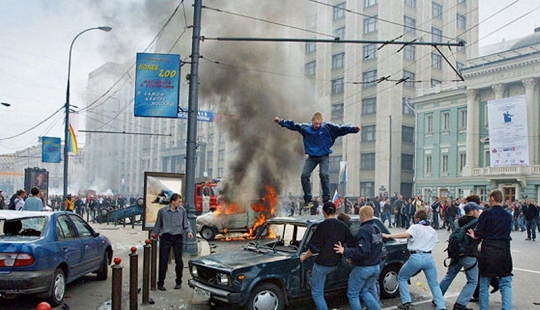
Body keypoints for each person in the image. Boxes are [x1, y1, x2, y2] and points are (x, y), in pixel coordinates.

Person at [274, 112, 360, 205]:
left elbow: (341, 128)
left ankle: (326, 198)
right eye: (315, 124)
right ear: (312, 122)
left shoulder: (328, 127)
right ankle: (308, 199)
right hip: (312, 157)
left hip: (324, 156)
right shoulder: (305, 127)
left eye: (319, 124)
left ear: (321, 122)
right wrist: (280, 122)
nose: (317, 126)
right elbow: (293, 125)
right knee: (304, 175)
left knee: (324, 174)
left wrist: (354, 129)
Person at [382, 209, 446, 310]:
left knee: (402, 277)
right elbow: (435, 242)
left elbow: (405, 235)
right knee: (433, 283)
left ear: (417, 218)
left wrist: (389, 235)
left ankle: (406, 302)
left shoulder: (415, 227)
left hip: (416, 257)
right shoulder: (432, 230)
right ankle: (441, 306)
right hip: (429, 257)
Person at [299, 201, 355, 310]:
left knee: (317, 292)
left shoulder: (321, 226)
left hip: (322, 264)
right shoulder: (342, 226)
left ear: (323, 212)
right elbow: (352, 243)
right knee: (317, 285)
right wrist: (349, 256)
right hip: (335, 262)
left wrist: (304, 257)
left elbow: (314, 248)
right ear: (335, 211)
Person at [467, 189, 513, 310]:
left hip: (488, 250)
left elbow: (479, 231)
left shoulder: (486, 214)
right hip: (504, 250)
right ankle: (507, 308)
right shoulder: (508, 215)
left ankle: (484, 308)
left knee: (484, 283)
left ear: (492, 199)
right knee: (506, 282)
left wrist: (474, 235)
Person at [334, 205, 383, 310]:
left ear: (363, 215)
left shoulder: (364, 230)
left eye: (360, 215)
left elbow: (363, 251)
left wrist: (345, 250)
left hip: (364, 268)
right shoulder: (377, 228)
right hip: (375, 266)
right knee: (364, 291)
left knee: (353, 294)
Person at [439, 202, 482, 310]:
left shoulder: (458, 221)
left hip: (455, 253)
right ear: (472, 212)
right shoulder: (476, 223)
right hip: (469, 254)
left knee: (449, 276)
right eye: (477, 210)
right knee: (472, 280)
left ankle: (437, 298)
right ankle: (460, 304)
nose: (479, 212)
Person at [152, 193, 193, 291]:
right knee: (163, 260)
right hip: (166, 237)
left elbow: (185, 223)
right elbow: (158, 225)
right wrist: (154, 235)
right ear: (173, 201)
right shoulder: (162, 211)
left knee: (179, 261)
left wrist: (189, 231)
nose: (180, 203)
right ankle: (160, 283)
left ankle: (178, 281)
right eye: (179, 201)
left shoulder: (182, 211)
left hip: (178, 237)